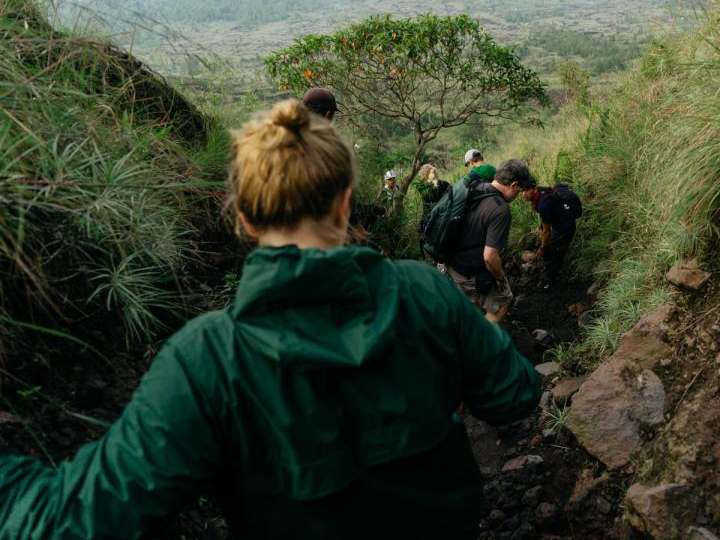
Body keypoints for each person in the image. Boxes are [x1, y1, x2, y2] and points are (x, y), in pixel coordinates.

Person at [0, 100, 541, 539]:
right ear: (345, 201)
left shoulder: (207, 358)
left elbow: (78, 520)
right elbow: (515, 394)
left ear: (243, 216)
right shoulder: (426, 294)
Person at [446, 159, 534, 324]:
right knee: (503, 301)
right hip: (466, 271)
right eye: (519, 189)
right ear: (514, 185)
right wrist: (501, 278)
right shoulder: (500, 209)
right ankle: (478, 343)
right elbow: (490, 257)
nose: (518, 194)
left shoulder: (475, 189)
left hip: (448, 261)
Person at [524, 183, 579, 291]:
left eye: (526, 190)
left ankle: (549, 283)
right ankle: (553, 276)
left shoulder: (543, 203)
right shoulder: (542, 194)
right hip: (561, 224)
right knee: (554, 252)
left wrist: (543, 247)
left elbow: (547, 232)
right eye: (521, 190)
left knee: (550, 253)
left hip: (564, 228)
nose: (523, 194)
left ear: (534, 189)